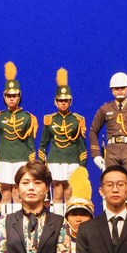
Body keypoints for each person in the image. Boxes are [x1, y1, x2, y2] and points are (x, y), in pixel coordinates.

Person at [39, 68, 86, 214]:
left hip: (72, 160)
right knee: (57, 193)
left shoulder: (77, 120)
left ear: (70, 101)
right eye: (60, 100)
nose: (63, 103)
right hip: (55, 160)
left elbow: (81, 145)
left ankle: (68, 219)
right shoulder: (49, 119)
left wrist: (82, 165)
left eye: (66, 100)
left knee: (69, 192)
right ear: (55, 102)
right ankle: (58, 221)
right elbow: (43, 143)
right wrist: (42, 163)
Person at [0, 62, 38, 206]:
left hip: (21, 159)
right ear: (4, 97)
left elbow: (30, 142)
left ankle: (18, 219)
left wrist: (32, 162)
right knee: (4, 193)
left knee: (18, 193)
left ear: (19, 96)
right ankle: (5, 219)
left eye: (14, 95)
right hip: (3, 159)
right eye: (8, 95)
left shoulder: (28, 117)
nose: (11, 98)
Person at [89, 72, 127, 182]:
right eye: (116, 88)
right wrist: (96, 155)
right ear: (112, 90)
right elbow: (93, 131)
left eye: (123, 88)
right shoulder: (105, 109)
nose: (119, 90)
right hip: (112, 151)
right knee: (112, 181)